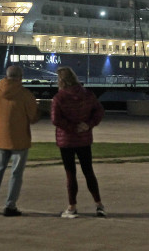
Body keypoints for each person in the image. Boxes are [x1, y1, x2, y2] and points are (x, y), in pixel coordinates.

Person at [0, 65, 40, 217]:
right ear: (21, 77)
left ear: (6, 75)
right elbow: (33, 117)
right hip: (20, 138)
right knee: (16, 174)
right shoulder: (25, 94)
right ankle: (10, 206)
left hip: (1, 136)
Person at [51, 66, 106, 218]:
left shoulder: (59, 98)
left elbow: (55, 119)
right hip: (84, 138)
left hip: (67, 140)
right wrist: (88, 124)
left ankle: (72, 207)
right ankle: (99, 204)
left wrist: (72, 128)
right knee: (88, 171)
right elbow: (99, 111)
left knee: (71, 174)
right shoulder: (88, 94)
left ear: (61, 81)